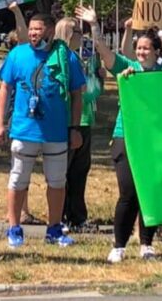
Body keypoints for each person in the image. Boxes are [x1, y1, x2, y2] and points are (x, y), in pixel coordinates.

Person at [82, 5, 162, 263]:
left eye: (147, 48)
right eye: (139, 48)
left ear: (157, 51)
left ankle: (146, 244)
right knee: (129, 192)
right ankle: (119, 245)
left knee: (150, 192)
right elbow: (104, 53)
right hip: (126, 136)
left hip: (155, 139)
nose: (142, 52)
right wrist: (94, 25)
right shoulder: (128, 68)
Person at [0, 9, 85, 249]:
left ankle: (54, 229)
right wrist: (0, 122)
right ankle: (14, 228)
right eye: (31, 30)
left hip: (55, 131)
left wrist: (74, 128)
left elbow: (77, 95)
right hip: (24, 129)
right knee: (18, 179)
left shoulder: (66, 57)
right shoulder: (17, 54)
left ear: (50, 31)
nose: (34, 34)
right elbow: (5, 88)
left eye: (38, 30)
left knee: (57, 181)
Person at [63, 16, 104, 233]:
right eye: (78, 33)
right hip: (71, 121)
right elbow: (83, 93)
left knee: (79, 172)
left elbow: (92, 91)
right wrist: (94, 84)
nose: (82, 37)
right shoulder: (66, 59)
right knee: (66, 172)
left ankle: (76, 217)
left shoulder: (81, 59)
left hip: (85, 119)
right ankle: (63, 216)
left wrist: (97, 75)